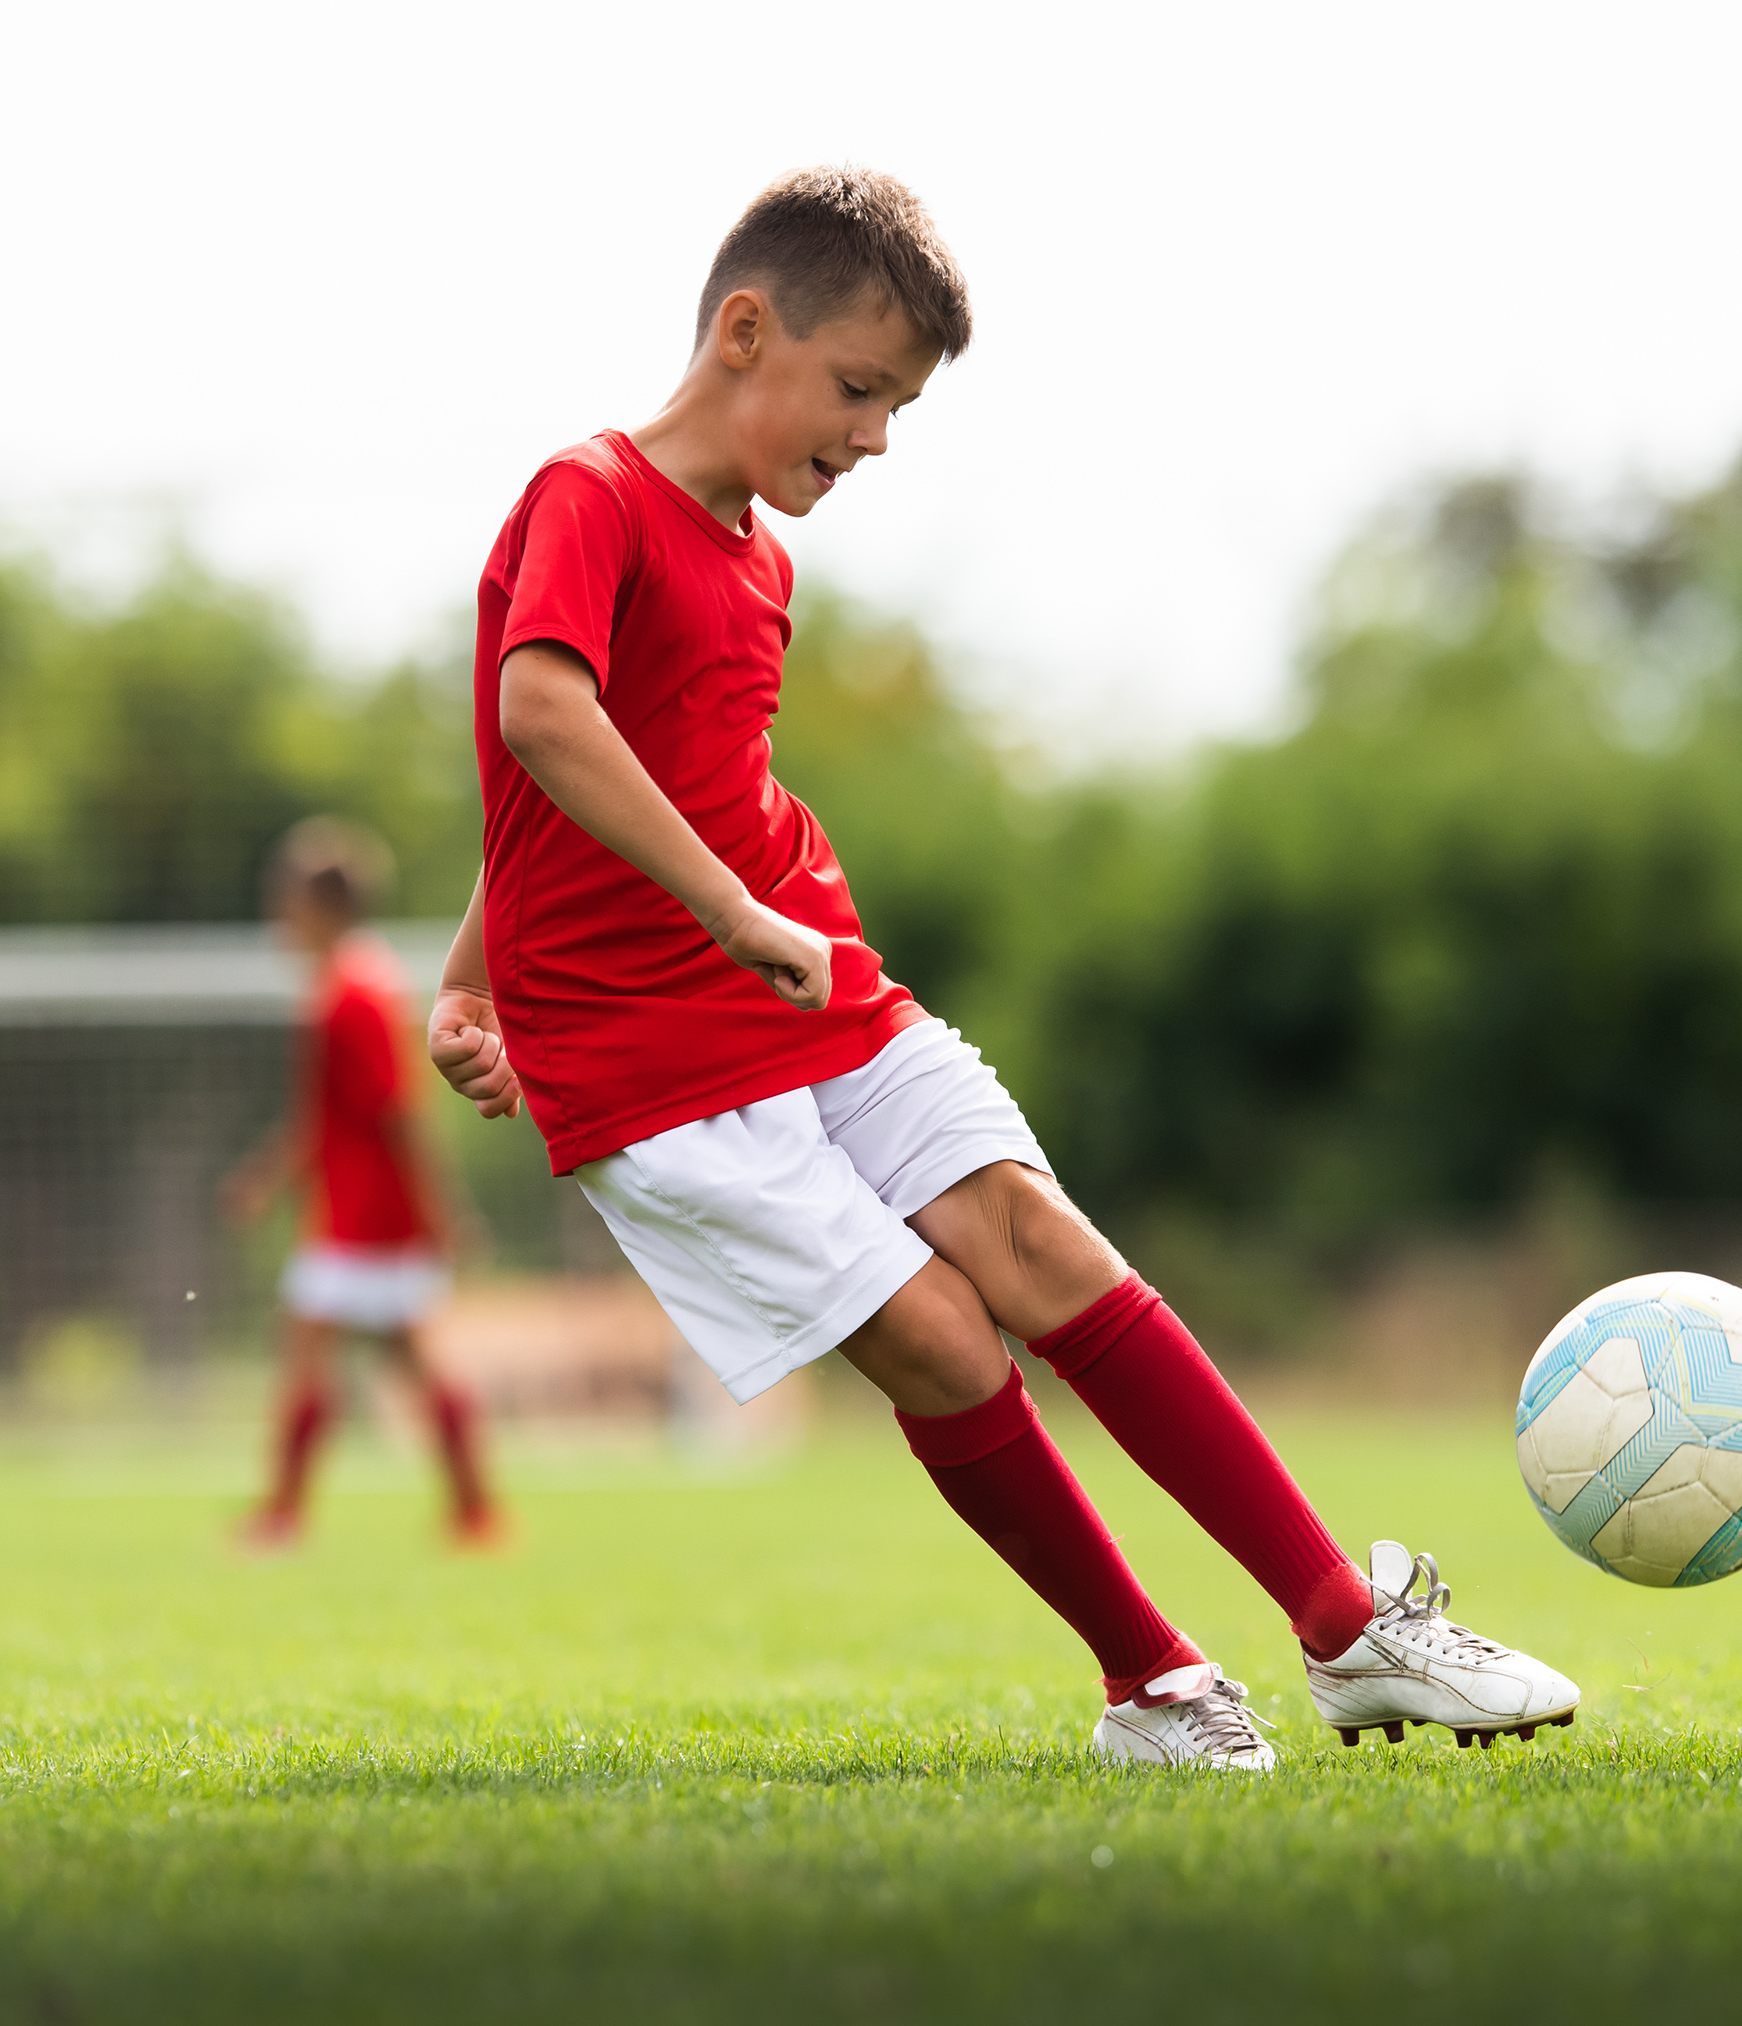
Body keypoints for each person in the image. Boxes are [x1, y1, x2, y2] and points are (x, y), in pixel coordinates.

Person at [424, 168, 1574, 1768]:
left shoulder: (761, 562)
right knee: (948, 1343)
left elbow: (620, 778)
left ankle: (1349, 1628)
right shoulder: (589, 493)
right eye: (859, 389)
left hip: (809, 983)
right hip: (654, 1055)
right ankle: (1154, 1681)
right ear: (744, 330)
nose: (877, 435)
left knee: (1034, 1241)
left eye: (896, 405)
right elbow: (542, 724)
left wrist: (491, 972)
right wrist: (660, 940)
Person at [227, 818, 497, 1551]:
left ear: (320, 907)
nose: (278, 916)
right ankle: (475, 1513)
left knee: (312, 1350)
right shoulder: (346, 987)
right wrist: (269, 1176)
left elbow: (399, 1113)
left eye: (285, 900)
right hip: (365, 1213)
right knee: (406, 1357)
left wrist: (443, 1211)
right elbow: (327, 1119)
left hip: (365, 1217)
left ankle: (282, 1517)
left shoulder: (355, 995)